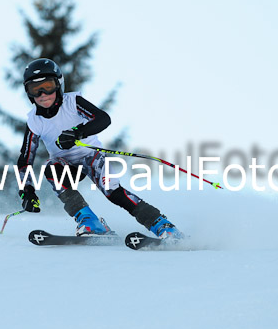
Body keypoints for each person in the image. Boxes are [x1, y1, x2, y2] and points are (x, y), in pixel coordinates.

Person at [16, 58, 184, 239]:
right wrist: (27, 191)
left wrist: (77, 133)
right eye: (35, 89)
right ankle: (90, 221)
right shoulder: (34, 120)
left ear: (58, 85)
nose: (42, 94)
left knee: (113, 192)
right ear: (28, 93)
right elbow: (25, 160)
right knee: (51, 169)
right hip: (66, 166)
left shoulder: (72, 102)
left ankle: (162, 225)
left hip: (91, 156)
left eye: (47, 86)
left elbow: (103, 119)